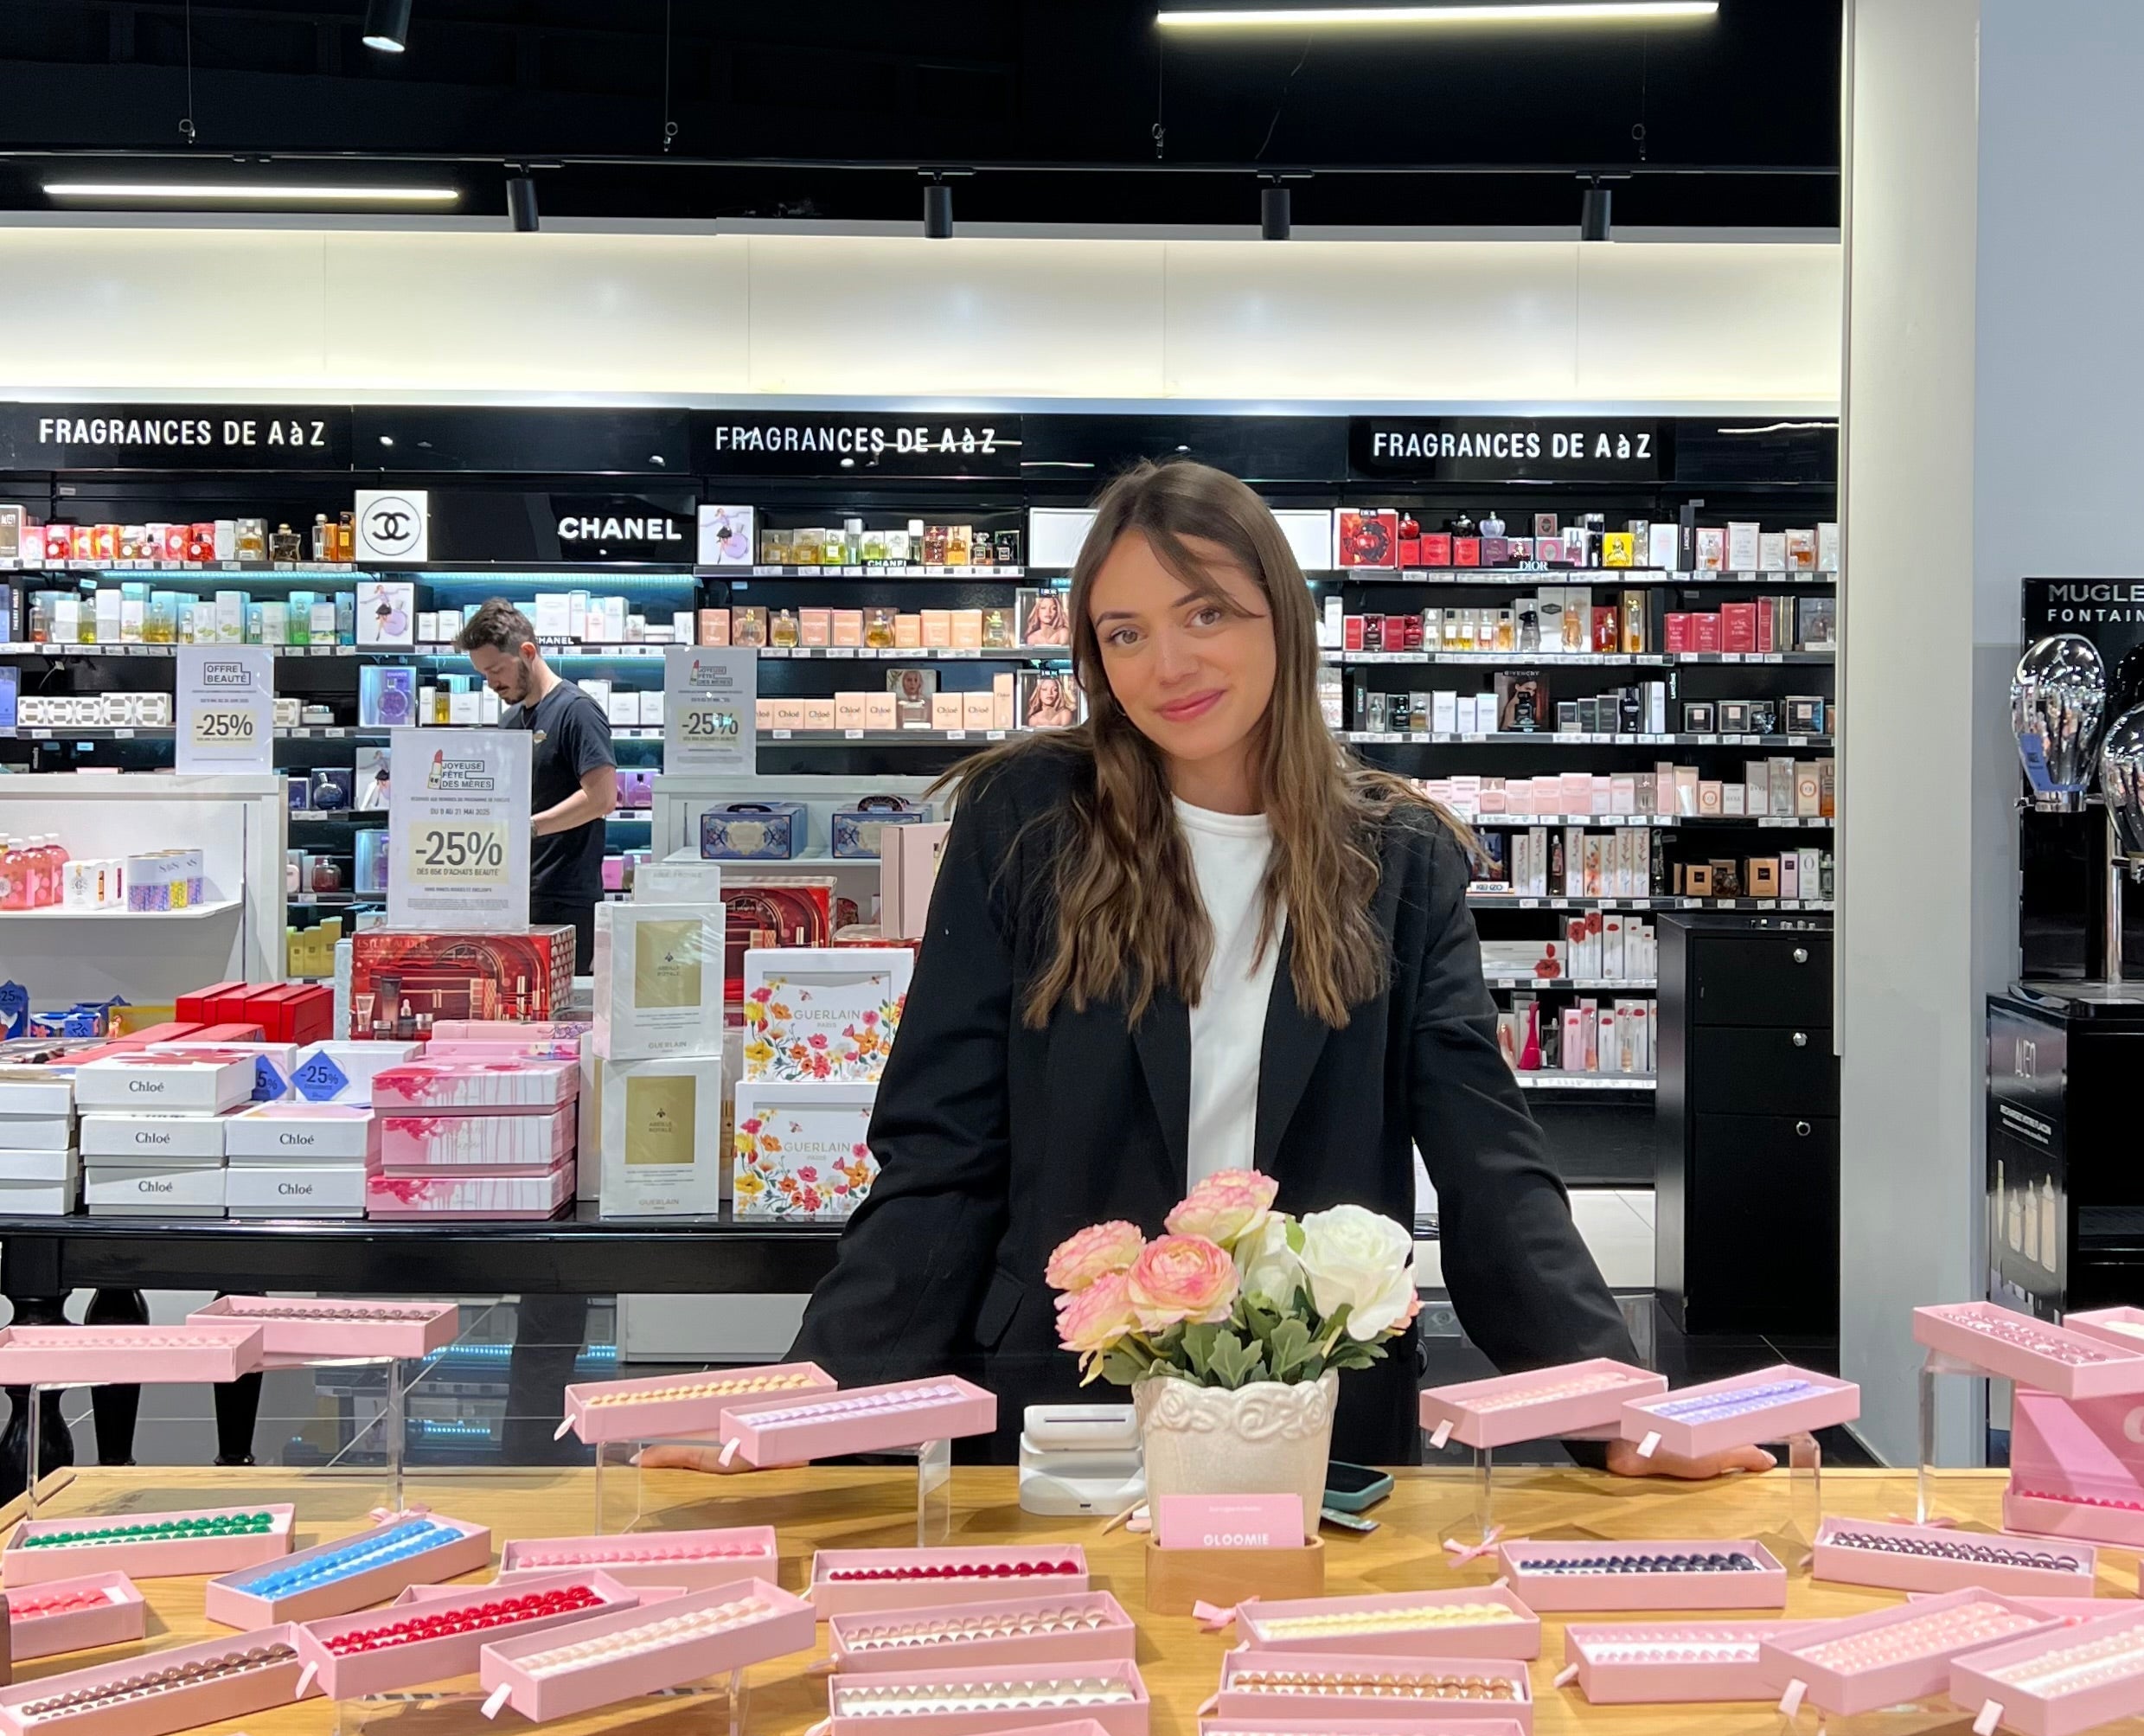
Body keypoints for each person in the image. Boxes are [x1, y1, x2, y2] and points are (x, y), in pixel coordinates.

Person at [650, 460, 1766, 1482]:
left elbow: (1488, 1161)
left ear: (1285, 619)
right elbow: (942, 1150)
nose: (1167, 664)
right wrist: (821, 1387)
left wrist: (1611, 1402)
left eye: (1206, 614)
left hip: (1319, 1404)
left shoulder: (1396, 854)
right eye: (1124, 633)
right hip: (1067, 1396)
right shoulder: (1030, 820)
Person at [457, 598, 618, 971]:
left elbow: (603, 798)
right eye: (484, 674)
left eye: (497, 669)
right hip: (511, 898)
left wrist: (528, 828)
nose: (491, 682)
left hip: (566, 901)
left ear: (527, 652)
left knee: (560, 1020)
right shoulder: (510, 720)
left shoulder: (577, 710)